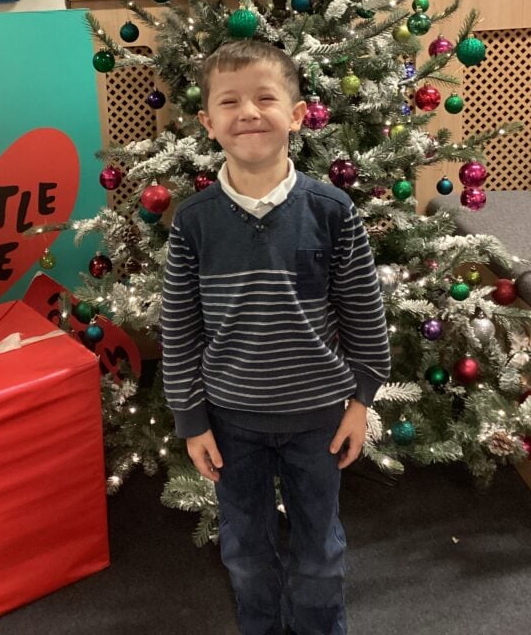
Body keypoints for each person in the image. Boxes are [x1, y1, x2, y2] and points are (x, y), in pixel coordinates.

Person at [161, 41, 391, 635]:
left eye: (266, 98)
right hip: (231, 419)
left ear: (296, 113)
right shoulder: (193, 222)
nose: (249, 112)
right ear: (208, 123)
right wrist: (192, 422)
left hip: (319, 417)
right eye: (230, 101)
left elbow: (365, 313)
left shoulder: (332, 210)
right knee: (243, 547)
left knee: (319, 549)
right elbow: (180, 332)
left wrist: (361, 400)